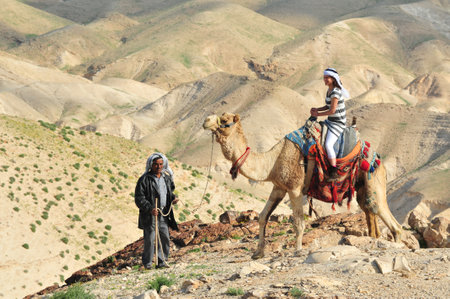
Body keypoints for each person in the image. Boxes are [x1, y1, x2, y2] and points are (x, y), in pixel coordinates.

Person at [135, 153, 179, 269]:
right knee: (150, 239)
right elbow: (139, 198)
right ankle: (148, 264)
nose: (158, 167)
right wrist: (150, 209)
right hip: (150, 215)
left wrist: (173, 198)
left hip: (164, 214)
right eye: (156, 164)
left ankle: (162, 261)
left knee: (164, 237)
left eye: (160, 164)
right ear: (151, 165)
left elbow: (169, 192)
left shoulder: (166, 178)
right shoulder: (144, 179)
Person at [310, 68, 350, 181]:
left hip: (338, 123)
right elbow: (328, 106)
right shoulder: (329, 91)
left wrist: (318, 113)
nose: (325, 80)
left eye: (327, 78)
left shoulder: (336, 92)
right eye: (324, 77)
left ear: (333, 79)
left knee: (328, 145)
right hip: (330, 121)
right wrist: (316, 109)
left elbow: (332, 110)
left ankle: (333, 171)